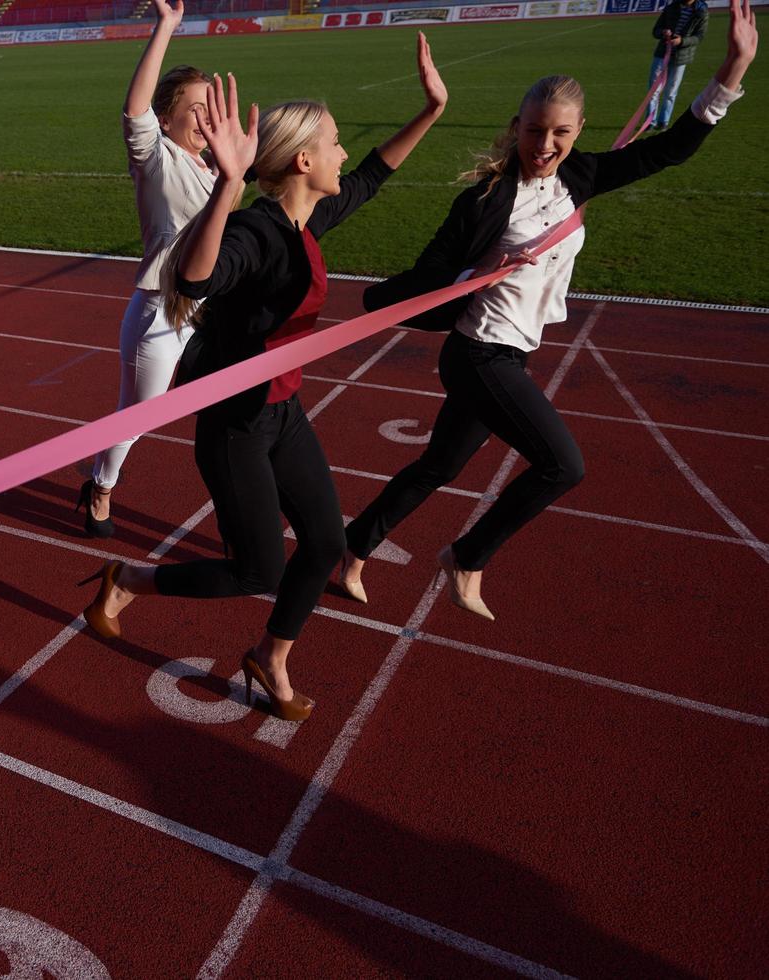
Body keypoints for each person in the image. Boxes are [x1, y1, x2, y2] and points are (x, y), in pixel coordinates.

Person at [340, 0, 756, 621]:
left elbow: (667, 151)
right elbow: (421, 282)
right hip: (478, 353)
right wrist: (465, 276)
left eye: (560, 133)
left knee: (438, 465)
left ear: (579, 132)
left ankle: (352, 549)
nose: (545, 144)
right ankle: (469, 557)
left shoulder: (580, 178)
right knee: (562, 465)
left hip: (513, 353)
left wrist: (730, 73)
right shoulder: (484, 200)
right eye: (535, 131)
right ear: (516, 127)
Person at [80, 34, 448, 721]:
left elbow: (370, 176)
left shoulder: (307, 215)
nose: (343, 151)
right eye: (334, 142)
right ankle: (126, 579)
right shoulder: (253, 230)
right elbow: (196, 277)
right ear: (304, 160)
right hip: (234, 424)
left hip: (280, 410)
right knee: (256, 571)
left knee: (326, 544)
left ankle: (271, 659)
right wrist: (226, 185)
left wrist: (430, 111)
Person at [78, 0, 222, 538]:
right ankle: (101, 484)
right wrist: (166, 26)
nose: (206, 118)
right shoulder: (155, 155)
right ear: (167, 119)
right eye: (195, 108)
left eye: (211, 108)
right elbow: (135, 109)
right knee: (136, 420)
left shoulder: (218, 170)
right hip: (160, 315)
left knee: (232, 414)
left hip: (207, 315)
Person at [648, 0, 710, 130]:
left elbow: (699, 36)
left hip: (681, 57)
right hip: (661, 54)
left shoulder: (701, 12)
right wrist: (663, 32)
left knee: (671, 91)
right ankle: (649, 122)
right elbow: (656, 30)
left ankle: (663, 121)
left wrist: (682, 41)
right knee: (654, 89)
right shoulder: (671, 8)